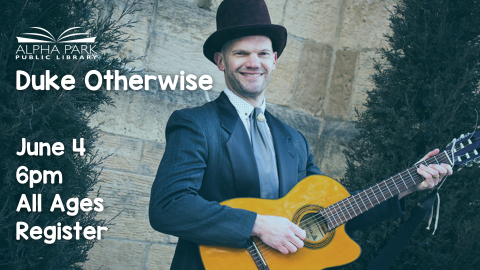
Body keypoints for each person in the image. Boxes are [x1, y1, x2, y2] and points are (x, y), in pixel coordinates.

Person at [149, 0, 453, 269]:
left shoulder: (294, 139)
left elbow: (333, 214)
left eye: (263, 53)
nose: (253, 62)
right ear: (220, 61)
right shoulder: (195, 124)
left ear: (274, 61)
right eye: (241, 53)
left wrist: (409, 185)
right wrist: (258, 225)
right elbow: (168, 207)